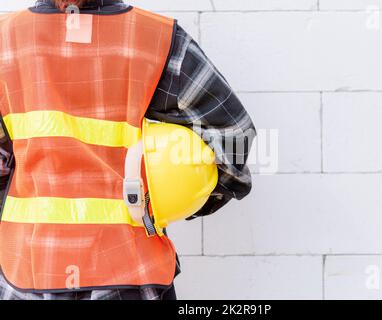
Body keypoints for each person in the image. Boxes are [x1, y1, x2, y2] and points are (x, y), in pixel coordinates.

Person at [0, 0, 255, 300]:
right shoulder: (156, 39)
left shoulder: (6, 38)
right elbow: (233, 135)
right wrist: (179, 198)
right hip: (130, 275)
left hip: (26, 271)